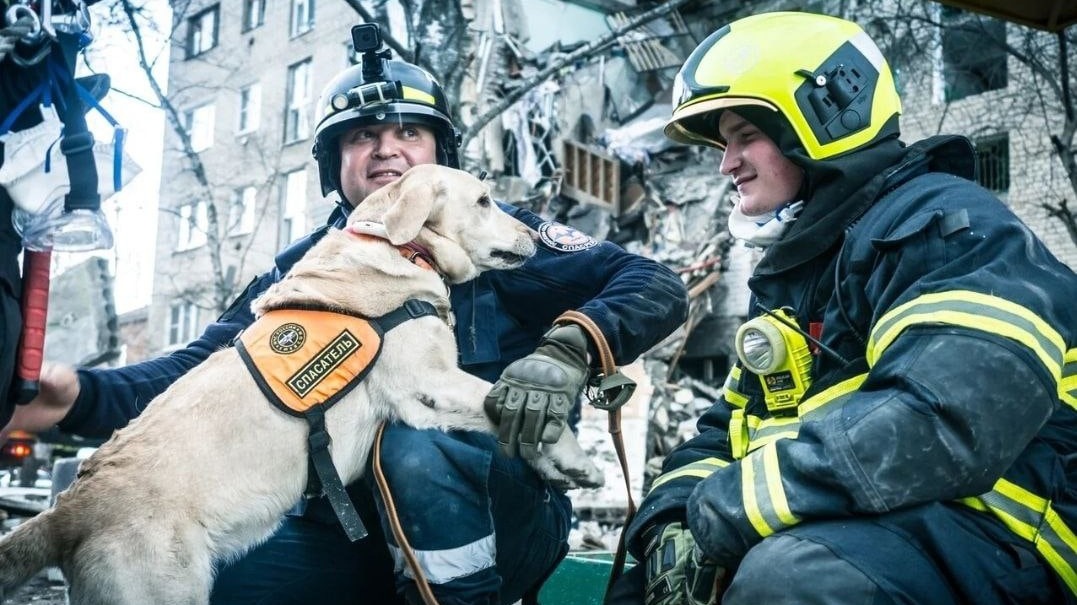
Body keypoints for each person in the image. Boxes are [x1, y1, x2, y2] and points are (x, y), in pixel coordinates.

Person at [2, 44, 689, 605]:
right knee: (232, 579)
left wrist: (568, 349)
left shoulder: (497, 237)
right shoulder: (304, 274)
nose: (386, 150)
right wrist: (77, 397)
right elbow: (199, 371)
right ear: (335, 165)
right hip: (352, 531)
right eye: (363, 136)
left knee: (414, 441)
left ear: (438, 155)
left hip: (497, 515)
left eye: (408, 133)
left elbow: (652, 285)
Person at [612, 11, 1077, 605]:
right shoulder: (796, 279)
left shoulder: (946, 230)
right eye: (724, 143)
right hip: (885, 531)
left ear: (827, 118)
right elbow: (724, 434)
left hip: (1006, 546)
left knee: (793, 580)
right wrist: (670, 526)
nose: (726, 163)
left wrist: (720, 516)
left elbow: (940, 423)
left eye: (745, 136)